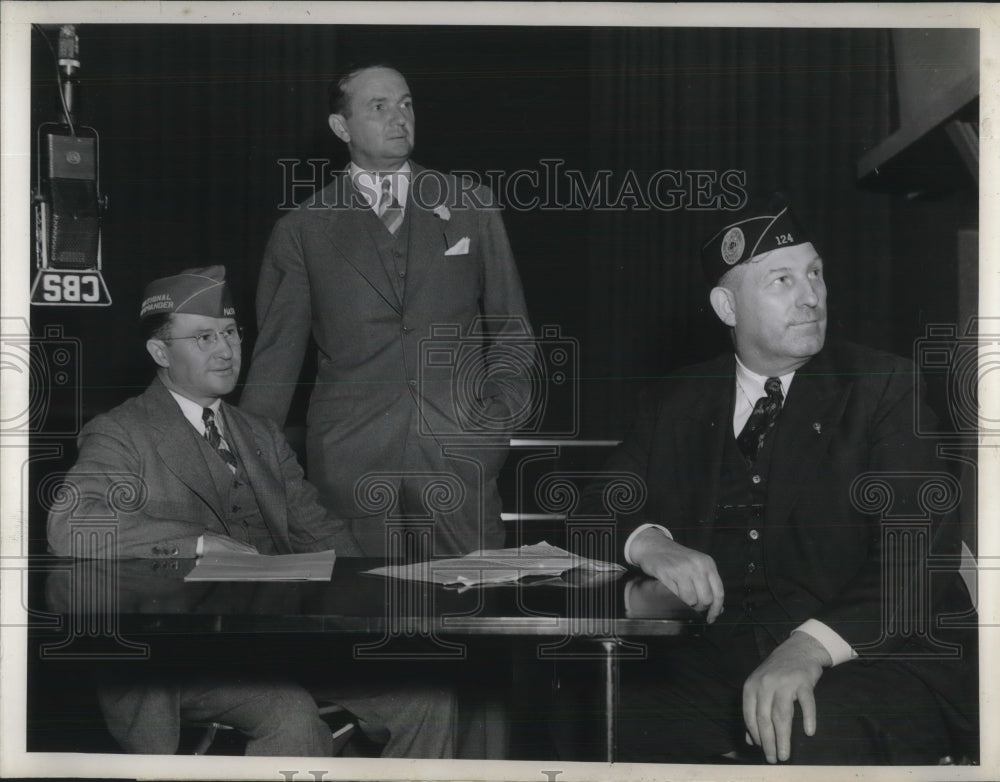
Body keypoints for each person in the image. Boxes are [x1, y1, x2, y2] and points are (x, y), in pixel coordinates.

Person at [580, 199, 977, 764]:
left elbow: (915, 556)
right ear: (727, 306)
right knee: (612, 721)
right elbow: (594, 508)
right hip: (720, 661)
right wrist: (651, 543)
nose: (811, 296)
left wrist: (810, 646)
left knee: (802, 734)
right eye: (782, 280)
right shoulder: (677, 400)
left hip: (873, 658)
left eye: (815, 273)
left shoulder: (883, 388)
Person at [46, 265, 456, 757]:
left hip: (279, 641)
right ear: (159, 352)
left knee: (428, 698)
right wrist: (196, 544)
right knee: (292, 717)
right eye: (203, 338)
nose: (226, 350)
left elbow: (319, 531)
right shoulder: (121, 432)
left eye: (230, 333)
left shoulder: (260, 433)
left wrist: (378, 595)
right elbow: (71, 524)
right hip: (178, 659)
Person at [240, 64, 534, 558]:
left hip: (459, 465)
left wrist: (494, 422)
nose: (399, 118)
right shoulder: (303, 230)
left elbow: (512, 329)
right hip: (350, 472)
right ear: (341, 127)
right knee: (353, 622)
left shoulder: (471, 206)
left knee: (473, 616)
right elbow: (274, 368)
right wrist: (251, 475)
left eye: (406, 104)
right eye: (379, 107)